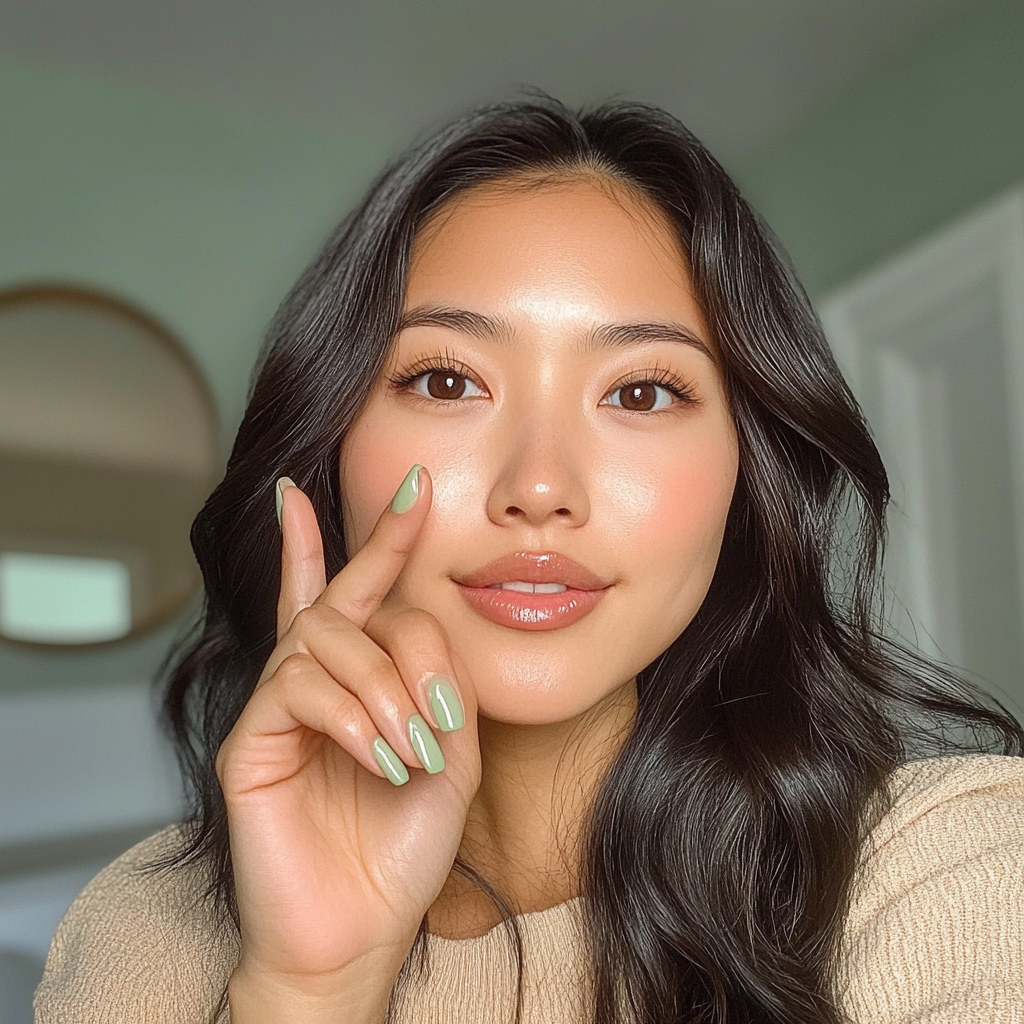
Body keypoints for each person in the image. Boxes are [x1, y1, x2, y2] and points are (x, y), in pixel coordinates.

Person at [35, 96, 1024, 1024]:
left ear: (745, 470)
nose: (540, 485)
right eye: (446, 378)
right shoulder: (143, 932)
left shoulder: (952, 870)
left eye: (640, 393)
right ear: (329, 451)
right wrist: (308, 988)